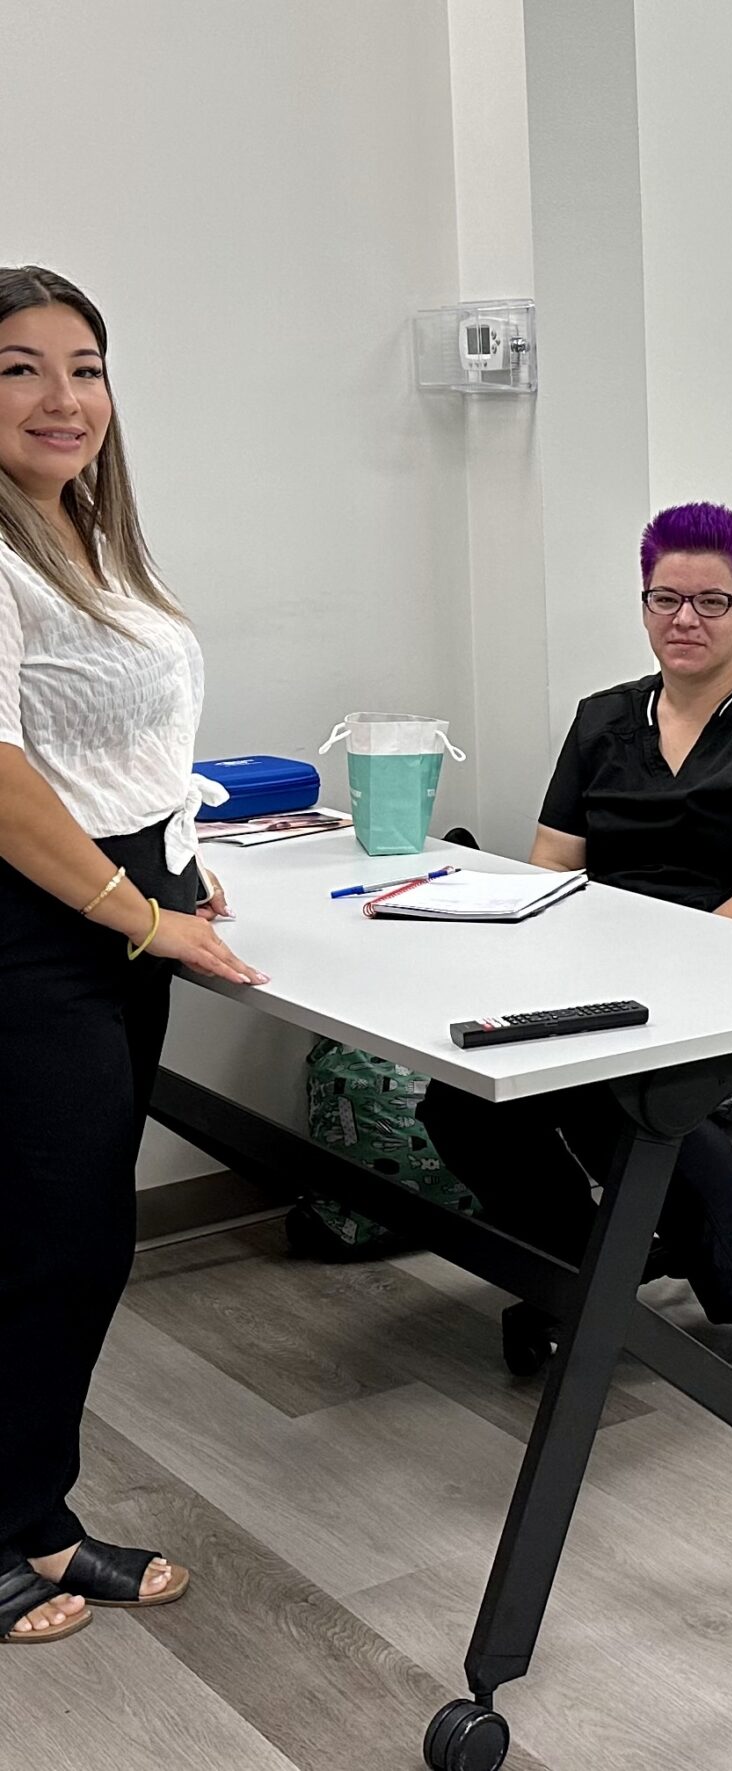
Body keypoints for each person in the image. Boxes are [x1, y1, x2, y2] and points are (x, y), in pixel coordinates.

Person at [418, 502, 732, 1378]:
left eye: (711, 601)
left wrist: (672, 966)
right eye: (665, 598)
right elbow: (553, 862)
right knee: (465, 1099)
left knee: (614, 1086)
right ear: (645, 606)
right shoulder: (603, 719)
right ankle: (585, 1270)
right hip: (601, 961)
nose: (685, 618)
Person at [0, 267, 265, 1646]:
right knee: (50, 1238)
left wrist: (179, 855)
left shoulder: (82, 538)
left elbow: (105, 743)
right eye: (20, 368)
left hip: (118, 901)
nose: (63, 398)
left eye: (85, 367)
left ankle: (35, 1515)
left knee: (80, 1232)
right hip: (39, 924)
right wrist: (143, 909)